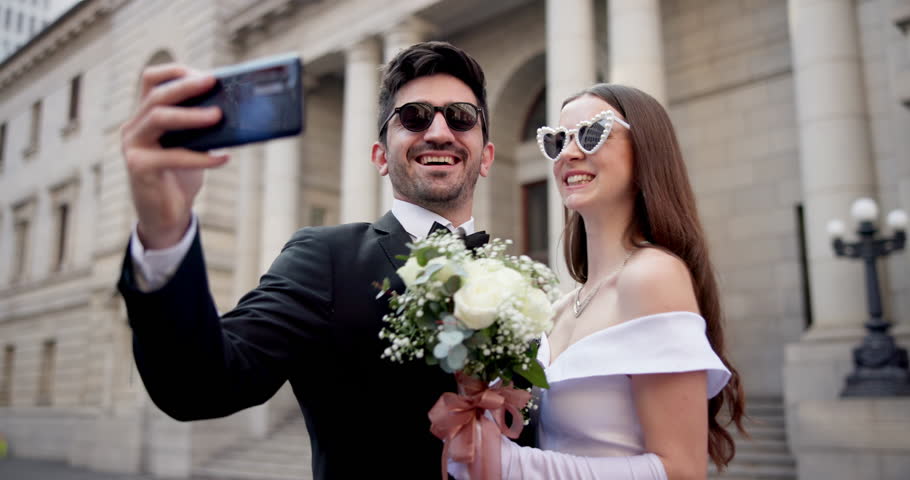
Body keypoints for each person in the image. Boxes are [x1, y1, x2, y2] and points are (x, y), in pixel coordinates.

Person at [117, 41, 495, 479]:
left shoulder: (524, 284)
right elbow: (200, 385)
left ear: (486, 156)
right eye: (414, 116)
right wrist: (164, 230)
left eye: (461, 117)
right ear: (380, 157)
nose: (439, 132)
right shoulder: (326, 258)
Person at [451, 84, 746, 479]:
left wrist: (515, 465)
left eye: (592, 134)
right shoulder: (558, 307)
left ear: (645, 151)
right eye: (556, 141)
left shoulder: (653, 275)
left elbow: (682, 470)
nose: (569, 154)